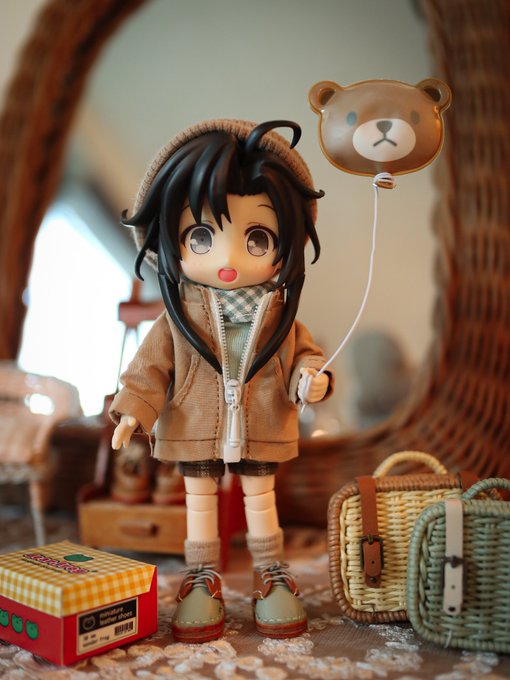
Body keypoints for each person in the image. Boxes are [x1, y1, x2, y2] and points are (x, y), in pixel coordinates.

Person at [110, 119, 333, 643]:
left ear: (287, 243)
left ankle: (270, 572)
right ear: (170, 241)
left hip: (262, 423)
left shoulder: (280, 316)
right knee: (199, 502)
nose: (228, 259)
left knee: (261, 499)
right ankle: (201, 577)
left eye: (257, 238)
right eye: (201, 236)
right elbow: (150, 368)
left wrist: (310, 380)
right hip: (194, 424)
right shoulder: (176, 318)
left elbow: (307, 356)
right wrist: (132, 410)